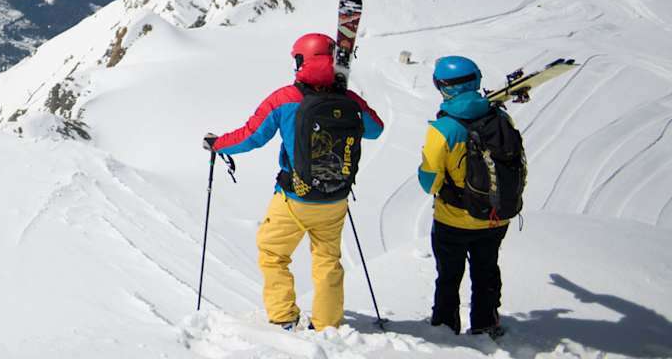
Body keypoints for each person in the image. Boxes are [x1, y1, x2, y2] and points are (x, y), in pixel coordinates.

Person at [203, 33, 384, 330]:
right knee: (327, 260)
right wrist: (345, 97)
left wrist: (217, 144)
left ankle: (284, 316)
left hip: (294, 197)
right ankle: (328, 324)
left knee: (273, 252)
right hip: (335, 197)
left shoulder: (285, 99)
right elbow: (375, 129)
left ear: (302, 61)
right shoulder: (347, 100)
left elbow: (251, 136)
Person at [418, 56, 517, 338]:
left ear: (443, 87)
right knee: (486, 271)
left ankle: (445, 328)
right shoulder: (501, 118)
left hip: (454, 219)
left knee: (449, 275)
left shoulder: (443, 129)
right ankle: (486, 324)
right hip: (495, 216)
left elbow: (429, 181)